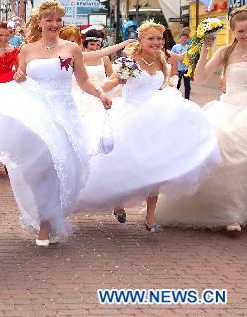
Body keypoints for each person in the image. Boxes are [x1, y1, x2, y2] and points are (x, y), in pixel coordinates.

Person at [0, 0, 112, 246]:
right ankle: (44, 222)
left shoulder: (72, 48)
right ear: (40, 22)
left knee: (59, 167)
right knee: (39, 169)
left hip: (64, 113)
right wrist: (18, 76)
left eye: (59, 19)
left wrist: (100, 94)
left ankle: (51, 218)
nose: (55, 24)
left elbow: (83, 81)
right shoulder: (27, 50)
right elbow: (22, 77)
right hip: (37, 113)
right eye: (49, 19)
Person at [75, 21, 220, 232]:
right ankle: (118, 202)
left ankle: (151, 216)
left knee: (157, 164)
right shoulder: (130, 61)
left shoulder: (162, 60)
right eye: (151, 38)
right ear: (141, 40)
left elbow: (162, 86)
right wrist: (99, 92)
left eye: (160, 38)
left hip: (155, 119)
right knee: (123, 164)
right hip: (130, 116)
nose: (156, 42)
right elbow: (111, 83)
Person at [156, 7, 247, 232]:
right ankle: (229, 214)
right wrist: (206, 50)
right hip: (231, 108)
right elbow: (200, 77)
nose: (245, 35)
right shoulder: (226, 52)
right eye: (241, 31)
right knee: (223, 148)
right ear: (233, 31)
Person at [172, 30, 191, 99]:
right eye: (182, 37)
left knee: (187, 86)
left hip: (186, 69)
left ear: (187, 39)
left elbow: (191, 56)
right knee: (177, 85)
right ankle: (175, 98)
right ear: (180, 38)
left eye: (185, 38)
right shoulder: (175, 47)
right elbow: (171, 56)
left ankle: (187, 99)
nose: (184, 39)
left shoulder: (189, 47)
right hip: (178, 69)